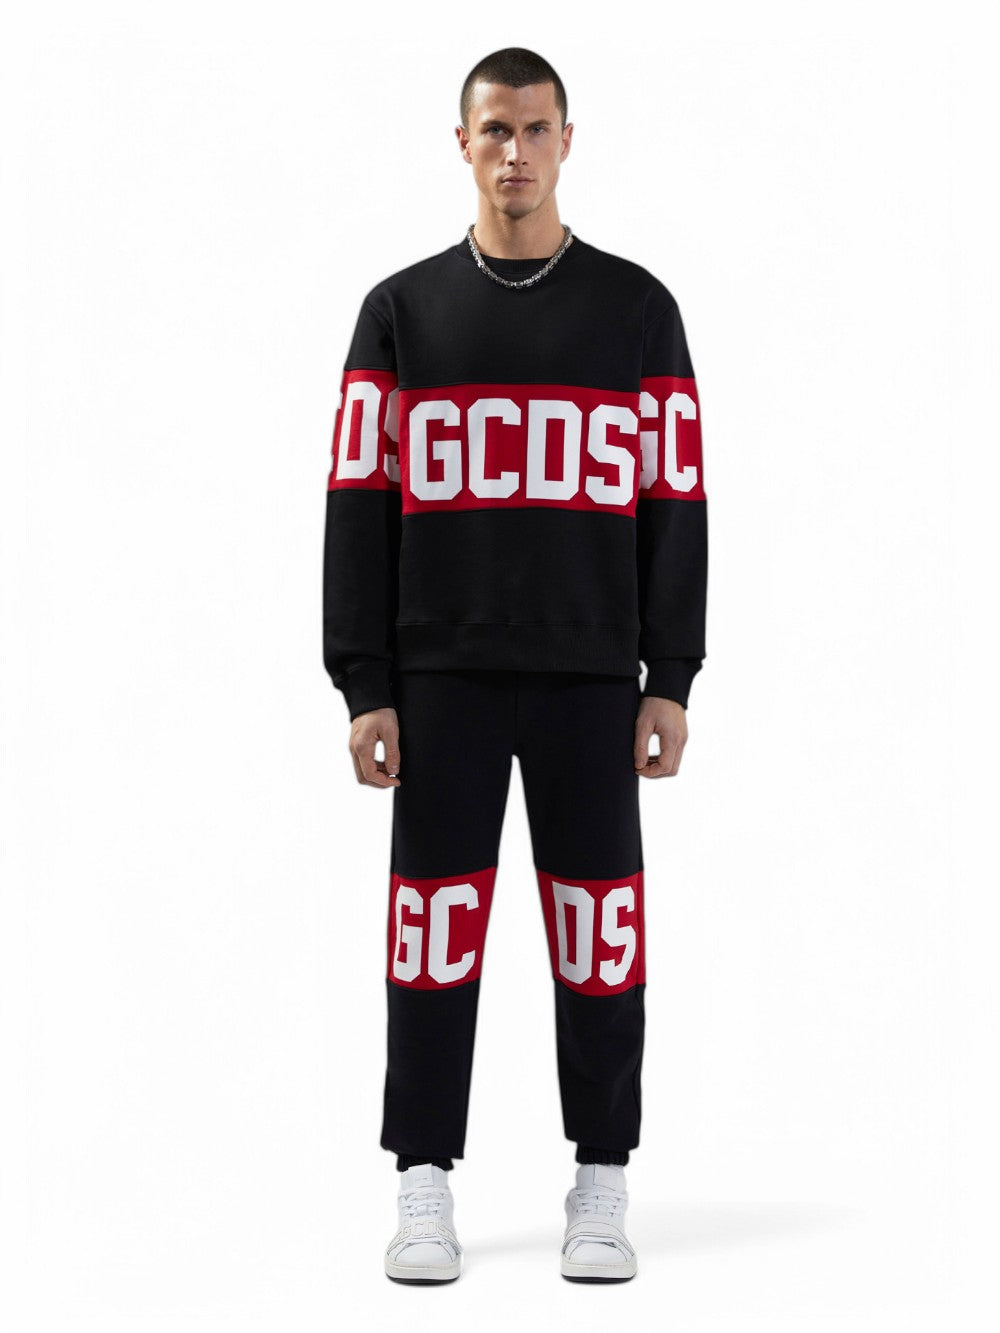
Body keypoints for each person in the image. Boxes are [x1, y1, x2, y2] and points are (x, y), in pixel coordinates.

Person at [322, 46, 708, 1285]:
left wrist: (670, 673)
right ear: (462, 143)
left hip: (592, 674)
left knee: (600, 931)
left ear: (567, 140)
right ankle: (422, 1179)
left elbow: (674, 496)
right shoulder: (400, 311)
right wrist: (365, 682)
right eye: (495, 130)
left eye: (536, 129)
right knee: (431, 930)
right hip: (440, 677)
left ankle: (602, 1177)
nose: (516, 152)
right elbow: (357, 499)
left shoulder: (635, 309)